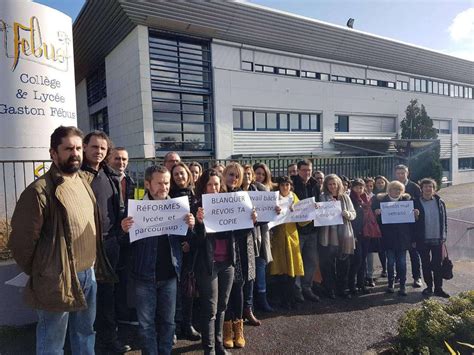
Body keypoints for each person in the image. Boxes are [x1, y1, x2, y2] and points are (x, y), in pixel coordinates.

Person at [8, 126, 115, 355]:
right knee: (52, 342)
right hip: (57, 279)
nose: (75, 153)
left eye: (77, 148)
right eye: (68, 149)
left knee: (85, 334)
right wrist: (44, 270)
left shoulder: (83, 182)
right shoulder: (39, 192)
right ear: (53, 153)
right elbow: (21, 243)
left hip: (89, 274)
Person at [121, 165, 195, 355]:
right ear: (147, 184)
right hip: (144, 276)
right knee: (146, 324)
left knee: (168, 322)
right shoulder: (135, 210)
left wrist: (191, 226)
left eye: (167, 183)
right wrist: (124, 230)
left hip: (170, 274)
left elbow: (186, 240)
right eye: (159, 183)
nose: (164, 187)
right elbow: (125, 245)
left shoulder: (178, 208)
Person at [82, 131, 131, 353]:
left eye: (102, 148)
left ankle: (108, 340)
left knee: (106, 296)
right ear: (84, 147)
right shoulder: (77, 175)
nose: (99, 151)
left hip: (109, 246)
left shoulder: (108, 176)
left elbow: (116, 212)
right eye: (95, 147)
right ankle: (84, 343)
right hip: (84, 246)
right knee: (85, 298)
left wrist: (119, 236)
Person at [194, 169, 235, 355]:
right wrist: (200, 223)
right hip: (207, 264)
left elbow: (240, 232)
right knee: (209, 309)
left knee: (222, 307)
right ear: (203, 186)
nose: (213, 188)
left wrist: (253, 219)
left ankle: (219, 345)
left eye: (217, 184)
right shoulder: (197, 207)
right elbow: (196, 241)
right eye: (209, 185)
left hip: (227, 262)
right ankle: (208, 350)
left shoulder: (230, 204)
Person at [222, 163, 257, 349]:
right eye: (230, 174)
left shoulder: (245, 197)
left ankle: (239, 328)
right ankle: (227, 329)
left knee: (239, 288)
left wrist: (253, 218)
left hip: (242, 248)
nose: (233, 178)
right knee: (225, 291)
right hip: (224, 249)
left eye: (237, 176)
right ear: (224, 175)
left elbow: (252, 225)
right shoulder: (217, 196)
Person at [169, 162, 202, 341]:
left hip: (193, 248)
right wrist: (182, 242)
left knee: (189, 289)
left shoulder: (196, 195)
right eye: (176, 175)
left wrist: (191, 239)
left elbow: (201, 224)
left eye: (182, 174)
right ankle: (173, 326)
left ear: (188, 174)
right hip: (176, 248)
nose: (180, 177)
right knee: (174, 289)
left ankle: (187, 324)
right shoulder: (168, 196)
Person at [107, 147, 138, 325]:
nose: (121, 162)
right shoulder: (105, 180)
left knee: (123, 277)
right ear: (110, 159)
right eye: (117, 158)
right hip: (110, 236)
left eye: (124, 159)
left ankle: (121, 312)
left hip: (126, 236)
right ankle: (111, 318)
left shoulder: (131, 181)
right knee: (110, 280)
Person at [373, 181, 418, 296]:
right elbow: (378, 223)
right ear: (389, 190)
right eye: (394, 189)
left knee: (402, 263)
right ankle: (390, 284)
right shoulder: (382, 202)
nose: (397, 191)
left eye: (399, 189)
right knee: (390, 262)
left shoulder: (406, 202)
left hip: (403, 239)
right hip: (388, 238)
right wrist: (377, 214)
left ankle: (402, 285)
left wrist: (415, 215)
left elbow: (412, 223)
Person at [269, 176, 305, 309]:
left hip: (292, 238)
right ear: (279, 186)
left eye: (287, 185)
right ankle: (283, 299)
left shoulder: (294, 198)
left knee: (292, 271)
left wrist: (311, 210)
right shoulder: (274, 198)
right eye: (283, 185)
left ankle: (290, 298)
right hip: (278, 238)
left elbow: (303, 219)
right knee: (280, 271)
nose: (285, 187)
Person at [318, 174, 356, 299]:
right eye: (330, 184)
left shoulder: (345, 197)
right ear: (326, 185)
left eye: (334, 184)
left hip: (344, 233)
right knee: (328, 264)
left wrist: (347, 214)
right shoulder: (322, 197)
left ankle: (342, 288)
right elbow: (318, 213)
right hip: (329, 234)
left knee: (343, 263)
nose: (332, 186)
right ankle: (330, 289)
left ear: (339, 184)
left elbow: (353, 213)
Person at [414, 178, 450, 298]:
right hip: (422, 239)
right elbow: (412, 223)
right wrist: (415, 216)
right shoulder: (415, 202)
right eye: (426, 186)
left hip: (437, 239)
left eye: (431, 187)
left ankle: (438, 288)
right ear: (421, 188)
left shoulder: (440, 202)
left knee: (437, 265)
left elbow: (444, 220)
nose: (428, 189)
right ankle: (429, 287)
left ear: (434, 189)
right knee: (425, 264)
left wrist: (444, 235)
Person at [291, 160, 320, 302]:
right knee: (298, 261)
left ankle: (307, 287)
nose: (307, 173)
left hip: (312, 229)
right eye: (304, 170)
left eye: (309, 170)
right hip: (297, 230)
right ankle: (297, 290)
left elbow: (319, 203)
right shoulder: (292, 184)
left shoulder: (315, 184)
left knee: (312, 261)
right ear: (298, 170)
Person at [251, 163, 274, 313]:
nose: (259, 177)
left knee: (261, 267)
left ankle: (262, 298)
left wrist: (275, 210)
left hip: (264, 233)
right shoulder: (249, 190)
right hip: (252, 234)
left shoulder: (269, 192)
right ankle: (252, 301)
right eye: (257, 173)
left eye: (262, 174)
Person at [394, 164, 423, 288]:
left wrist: (417, 212)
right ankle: (399, 276)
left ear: (407, 173)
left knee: (414, 253)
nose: (400, 175)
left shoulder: (414, 187)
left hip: (412, 226)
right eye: (398, 173)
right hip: (397, 226)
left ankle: (417, 277)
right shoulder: (393, 185)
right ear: (395, 174)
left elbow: (419, 204)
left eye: (403, 173)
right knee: (398, 253)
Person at [348, 179, 372, 295]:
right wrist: (353, 234)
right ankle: (351, 285)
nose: (359, 190)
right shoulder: (350, 199)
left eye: (361, 187)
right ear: (352, 188)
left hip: (365, 233)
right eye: (357, 187)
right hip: (355, 234)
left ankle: (361, 284)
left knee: (363, 260)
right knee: (356, 260)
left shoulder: (365, 199)